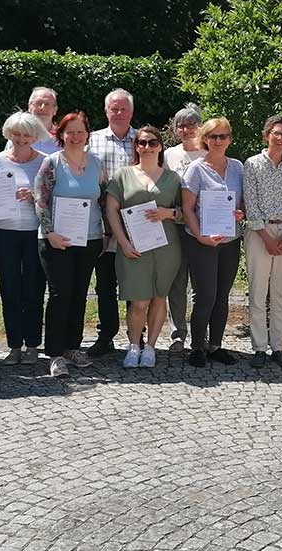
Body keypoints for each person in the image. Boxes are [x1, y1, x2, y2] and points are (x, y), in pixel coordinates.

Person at [105, 125, 184, 368]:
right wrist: (123, 242)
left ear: (160, 146)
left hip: (166, 248)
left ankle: (150, 347)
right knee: (139, 300)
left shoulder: (173, 179)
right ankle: (133, 346)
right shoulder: (122, 175)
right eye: (141, 142)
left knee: (159, 298)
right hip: (133, 247)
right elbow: (111, 210)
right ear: (136, 146)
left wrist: (167, 212)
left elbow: (185, 212)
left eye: (152, 142)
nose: (146, 147)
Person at [34, 112, 104, 378]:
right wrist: (49, 232)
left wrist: (105, 232)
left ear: (87, 134)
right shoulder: (52, 162)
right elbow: (40, 199)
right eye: (69, 132)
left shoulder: (96, 164)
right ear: (60, 135)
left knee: (79, 294)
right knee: (60, 295)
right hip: (57, 240)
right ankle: (54, 353)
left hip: (89, 239)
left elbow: (102, 198)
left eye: (80, 131)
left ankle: (72, 347)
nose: (75, 136)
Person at [181, 117, 246, 366]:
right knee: (205, 295)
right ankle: (197, 347)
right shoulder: (196, 169)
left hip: (230, 240)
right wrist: (200, 236)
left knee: (222, 295)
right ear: (205, 139)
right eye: (213, 136)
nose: (218, 141)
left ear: (230, 139)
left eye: (223, 136)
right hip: (201, 241)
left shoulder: (238, 167)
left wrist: (241, 213)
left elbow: (241, 204)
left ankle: (216, 345)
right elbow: (187, 209)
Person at [0, 111, 49, 365]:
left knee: (34, 289)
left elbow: (52, 198)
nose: (21, 139)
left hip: (35, 233)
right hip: (4, 232)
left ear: (35, 136)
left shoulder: (45, 161)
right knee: (9, 288)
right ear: (8, 134)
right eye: (16, 134)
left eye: (26, 135)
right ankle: (14, 345)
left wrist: (34, 195)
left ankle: (33, 344)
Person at [242, 115, 282, 368]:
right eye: (276, 133)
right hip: (260, 233)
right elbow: (251, 204)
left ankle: (278, 347)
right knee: (258, 292)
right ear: (267, 135)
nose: (280, 138)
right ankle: (258, 347)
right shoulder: (252, 165)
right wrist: (266, 237)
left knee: (281, 293)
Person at [87, 88, 137, 356]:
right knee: (104, 283)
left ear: (131, 112)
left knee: (134, 283)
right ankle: (105, 335)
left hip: (135, 226)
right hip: (102, 224)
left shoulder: (142, 141)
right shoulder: (91, 141)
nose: (118, 113)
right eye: (114, 108)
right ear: (106, 111)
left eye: (123, 108)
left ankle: (135, 336)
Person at [163, 103, 206, 353]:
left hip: (203, 224)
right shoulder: (169, 154)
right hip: (176, 225)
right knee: (177, 282)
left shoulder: (208, 152)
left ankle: (202, 332)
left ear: (200, 126)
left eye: (191, 124)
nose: (185, 129)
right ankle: (178, 333)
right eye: (180, 125)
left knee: (202, 282)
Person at [24, 87, 60, 155]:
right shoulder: (18, 136)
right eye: (38, 103)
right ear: (29, 107)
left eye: (47, 104)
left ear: (55, 110)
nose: (42, 108)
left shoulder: (63, 138)